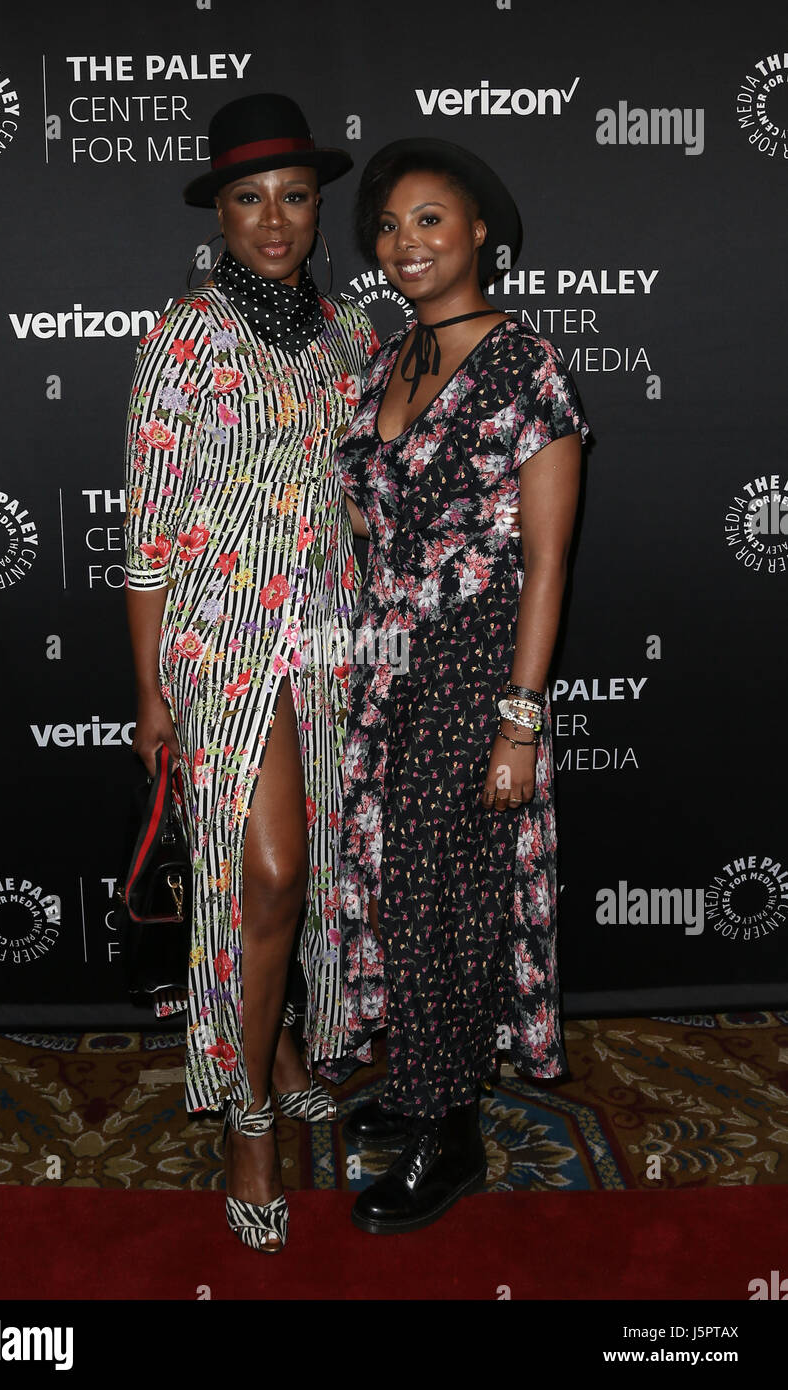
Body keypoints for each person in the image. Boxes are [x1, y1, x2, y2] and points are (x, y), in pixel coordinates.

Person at [122, 93, 377, 1253]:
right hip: (220, 641)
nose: (272, 220)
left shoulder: (346, 338)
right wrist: (149, 694)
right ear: (217, 214)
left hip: (326, 636)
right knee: (263, 875)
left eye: (291, 197)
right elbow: (146, 539)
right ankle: (247, 1113)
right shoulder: (182, 336)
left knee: (298, 871)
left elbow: (362, 501)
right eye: (246, 199)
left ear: (314, 207)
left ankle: (274, 1042)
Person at [334, 137, 590, 1233]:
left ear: (480, 227)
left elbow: (546, 560)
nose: (406, 244)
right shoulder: (389, 359)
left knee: (449, 898)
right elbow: (368, 517)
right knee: (402, 891)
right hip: (388, 666)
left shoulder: (524, 363)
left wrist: (518, 722)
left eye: (429, 220)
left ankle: (450, 1135)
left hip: (476, 670)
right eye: (388, 228)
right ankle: (419, 1083)